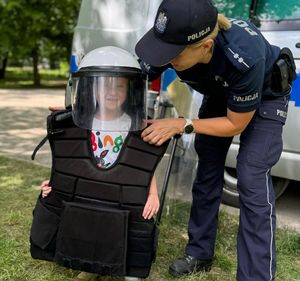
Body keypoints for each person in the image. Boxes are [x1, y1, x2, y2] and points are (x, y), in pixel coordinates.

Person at [135, 0, 296, 280]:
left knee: (251, 173)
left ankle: (256, 276)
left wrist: (182, 124)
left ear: (205, 47)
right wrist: (84, 108)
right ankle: (199, 253)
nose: (165, 60)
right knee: (208, 168)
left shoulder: (244, 56)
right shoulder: (177, 38)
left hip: (266, 97)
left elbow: (235, 124)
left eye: (173, 54)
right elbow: (131, 77)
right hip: (222, 93)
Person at [39, 47, 160, 281]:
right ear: (91, 89)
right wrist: (54, 183)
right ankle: (90, 267)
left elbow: (142, 166)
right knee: (90, 219)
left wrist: (152, 194)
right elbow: (71, 163)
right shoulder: (81, 123)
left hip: (123, 190)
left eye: (120, 86)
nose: (112, 92)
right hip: (92, 188)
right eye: (105, 86)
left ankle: (130, 268)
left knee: (125, 220)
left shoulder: (135, 124)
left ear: (131, 90)